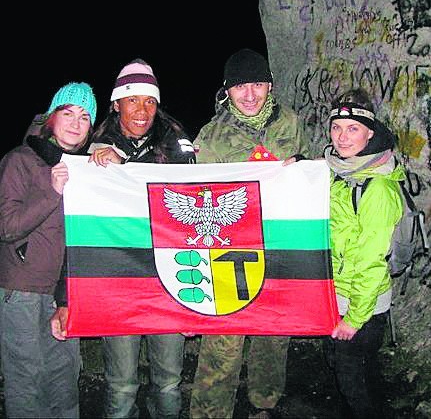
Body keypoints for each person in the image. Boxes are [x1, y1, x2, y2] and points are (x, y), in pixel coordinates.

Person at [61, 58, 196, 419]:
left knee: (168, 380)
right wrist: (91, 159)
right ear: (116, 103)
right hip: (117, 280)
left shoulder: (177, 143)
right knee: (121, 382)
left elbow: (192, 208)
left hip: (171, 279)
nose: (142, 110)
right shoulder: (91, 142)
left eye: (149, 101)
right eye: (133, 100)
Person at [189, 48, 309, 419]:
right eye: (241, 86)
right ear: (227, 90)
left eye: (258, 84)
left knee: (273, 335)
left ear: (269, 84)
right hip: (229, 252)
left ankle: (265, 403)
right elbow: (197, 201)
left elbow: (306, 175)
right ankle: (210, 412)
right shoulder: (211, 136)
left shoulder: (290, 122)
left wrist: (302, 167)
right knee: (223, 343)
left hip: (278, 246)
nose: (251, 94)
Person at [0, 81, 97, 418]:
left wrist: (68, 297)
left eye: (85, 117)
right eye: (68, 112)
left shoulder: (86, 170)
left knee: (65, 378)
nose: (75, 122)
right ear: (52, 117)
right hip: (22, 289)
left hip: (63, 293)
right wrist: (52, 192)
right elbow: (7, 227)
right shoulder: (19, 161)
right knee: (26, 381)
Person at [322, 88, 405, 419]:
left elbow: (372, 260)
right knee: (357, 375)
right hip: (338, 294)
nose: (342, 138)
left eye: (352, 129)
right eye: (336, 127)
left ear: (370, 133)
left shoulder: (376, 188)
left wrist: (355, 318)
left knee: (352, 380)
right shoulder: (341, 171)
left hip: (363, 304)